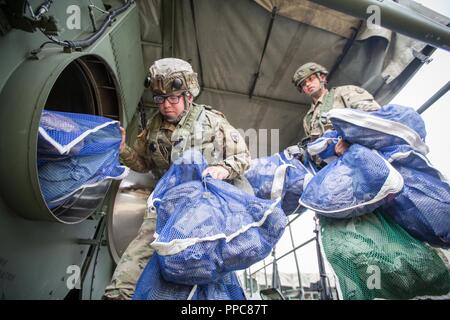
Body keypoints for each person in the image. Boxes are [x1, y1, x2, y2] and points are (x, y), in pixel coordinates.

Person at [103, 58, 251, 300]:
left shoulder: (212, 122)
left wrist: (222, 169)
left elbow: (242, 157)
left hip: (203, 205)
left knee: (203, 265)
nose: (165, 106)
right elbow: (143, 164)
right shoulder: (153, 126)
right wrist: (123, 151)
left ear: (188, 97)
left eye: (173, 99)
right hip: (166, 201)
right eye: (160, 100)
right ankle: (119, 294)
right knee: (142, 246)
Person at [292, 62, 380, 158]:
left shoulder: (344, 92)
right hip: (335, 166)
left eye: (311, 79)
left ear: (322, 78)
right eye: (303, 84)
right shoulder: (308, 119)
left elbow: (374, 117)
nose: (308, 84)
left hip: (364, 154)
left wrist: (348, 141)